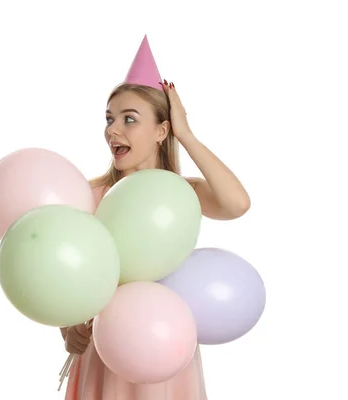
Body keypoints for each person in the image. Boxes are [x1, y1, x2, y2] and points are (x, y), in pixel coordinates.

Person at [60, 36, 250, 400]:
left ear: (162, 131)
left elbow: (237, 204)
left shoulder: (181, 195)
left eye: (129, 120)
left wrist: (187, 135)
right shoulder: (91, 195)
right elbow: (68, 273)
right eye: (110, 119)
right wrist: (69, 330)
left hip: (166, 351)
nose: (112, 130)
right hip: (108, 354)